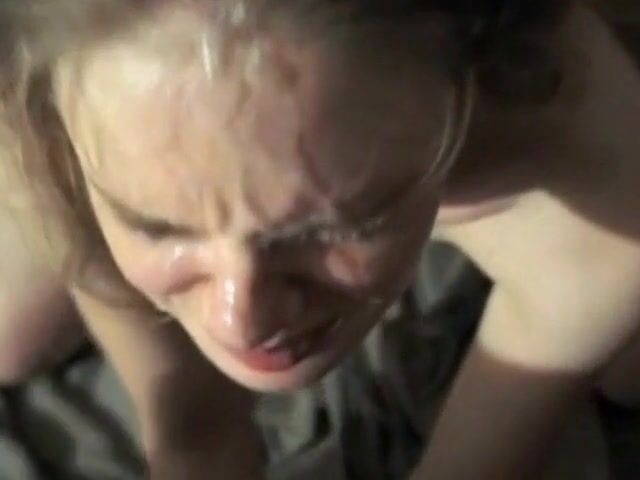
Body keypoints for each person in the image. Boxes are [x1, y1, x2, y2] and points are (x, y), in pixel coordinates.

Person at [1, 0, 639, 477]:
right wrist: (189, 424)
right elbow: (64, 202)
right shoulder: (53, 98)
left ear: (463, 94)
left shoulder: (586, 149)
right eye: (158, 225)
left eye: (335, 227)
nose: (243, 322)